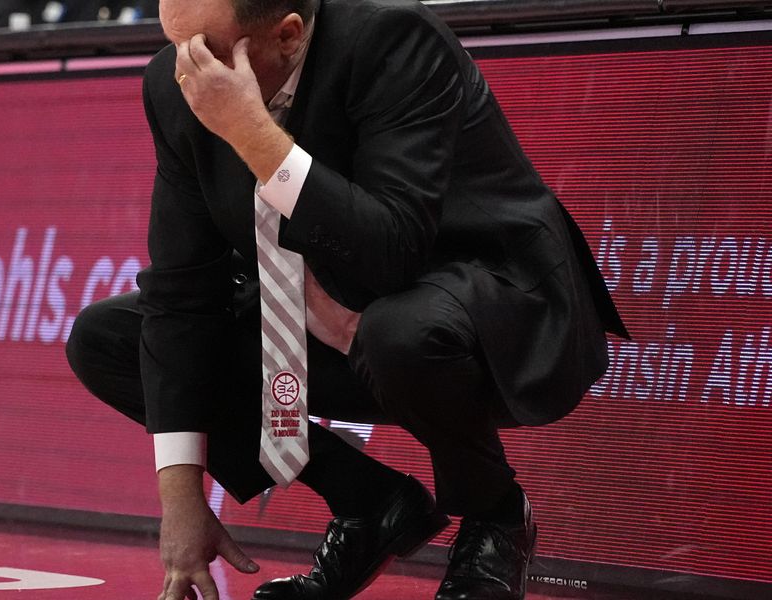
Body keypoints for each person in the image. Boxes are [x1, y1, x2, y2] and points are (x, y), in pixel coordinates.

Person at [65, 0, 629, 599]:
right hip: (328, 320)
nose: (188, 71)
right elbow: (181, 293)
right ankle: (372, 504)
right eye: (175, 45)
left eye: (204, 49)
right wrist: (180, 499)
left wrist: (251, 133)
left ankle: (496, 515)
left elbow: (392, 251)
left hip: (488, 314)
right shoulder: (177, 84)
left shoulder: (393, 41)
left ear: (287, 36)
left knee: (401, 332)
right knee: (108, 338)